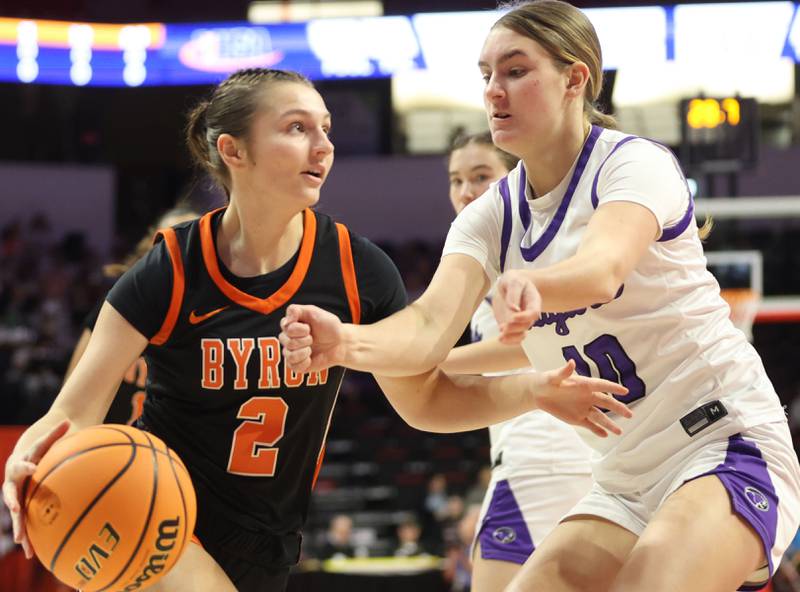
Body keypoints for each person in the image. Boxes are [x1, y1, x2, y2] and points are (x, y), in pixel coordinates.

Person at [3, 67, 627, 592]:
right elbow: (73, 414)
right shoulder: (170, 266)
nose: (323, 146)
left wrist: (533, 391)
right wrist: (28, 460)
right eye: (297, 128)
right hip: (162, 513)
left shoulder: (358, 270)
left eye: (326, 129)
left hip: (271, 543)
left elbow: (427, 400)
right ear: (234, 150)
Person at [278, 2, 800, 590]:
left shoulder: (633, 163)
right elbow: (427, 329)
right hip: (624, 479)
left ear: (575, 78)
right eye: (486, 75)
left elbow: (603, 268)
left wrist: (532, 283)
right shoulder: (488, 218)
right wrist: (345, 341)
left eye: (515, 71)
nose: (494, 91)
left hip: (722, 442)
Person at [443, 132, 593, 592]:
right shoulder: (517, 247)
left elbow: (537, 343)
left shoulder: (516, 251)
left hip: (542, 457)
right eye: (456, 180)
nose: (466, 191)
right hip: (570, 454)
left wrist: (439, 363)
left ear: (515, 178)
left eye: (481, 176)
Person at [63, 204, 199, 425]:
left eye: (190, 245)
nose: (178, 252)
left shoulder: (209, 316)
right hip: (110, 444)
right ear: (151, 248)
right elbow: (73, 387)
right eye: (170, 244)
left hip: (170, 452)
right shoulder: (120, 303)